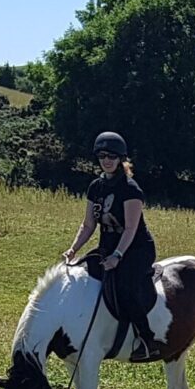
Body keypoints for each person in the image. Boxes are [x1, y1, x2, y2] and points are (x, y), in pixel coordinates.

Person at [62, 131, 162, 362]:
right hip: (106, 247)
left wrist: (117, 255)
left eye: (112, 156)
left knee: (125, 287)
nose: (107, 160)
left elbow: (130, 229)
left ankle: (147, 339)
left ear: (121, 159)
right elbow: (88, 224)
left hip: (136, 249)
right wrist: (73, 249)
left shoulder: (130, 189)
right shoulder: (95, 187)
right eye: (102, 156)